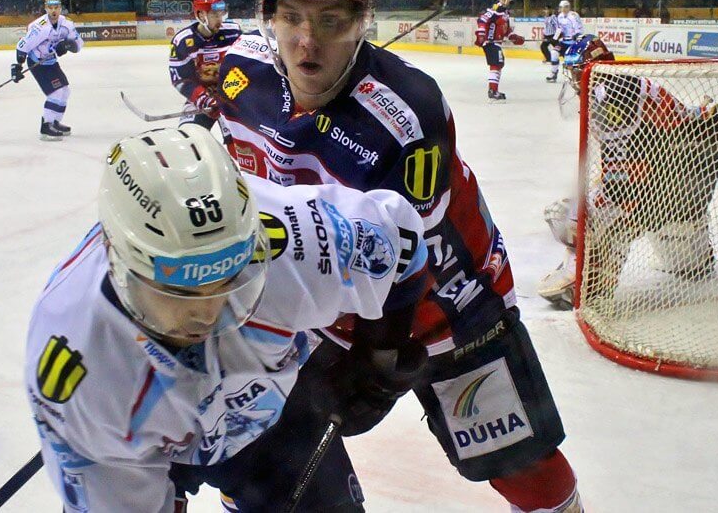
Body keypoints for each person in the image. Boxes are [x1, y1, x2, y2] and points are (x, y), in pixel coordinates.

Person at [215, 0, 582, 512]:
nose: (307, 43)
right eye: (291, 18)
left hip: (447, 304)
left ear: (362, 20)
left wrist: (377, 357)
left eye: (331, 20)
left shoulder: (405, 114)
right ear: (268, 17)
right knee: (261, 454)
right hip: (315, 298)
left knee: (518, 462)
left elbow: (406, 259)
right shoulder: (241, 73)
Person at [27, 126, 430, 511]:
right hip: (148, 444)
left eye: (230, 281)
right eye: (181, 292)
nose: (206, 314)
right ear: (122, 268)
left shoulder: (300, 240)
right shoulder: (83, 364)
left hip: (273, 414)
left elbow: (401, 240)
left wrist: (378, 355)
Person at [538, 36, 718, 307]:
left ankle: (586, 283)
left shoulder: (610, 96)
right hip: (689, 185)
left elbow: (624, 179)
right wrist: (702, 112)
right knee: (688, 264)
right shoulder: (630, 85)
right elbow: (683, 117)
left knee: (569, 216)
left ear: (596, 68)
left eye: (578, 71)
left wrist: (615, 211)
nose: (575, 80)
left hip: (660, 187)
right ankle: (692, 255)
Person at [11, 0, 83, 140]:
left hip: (51, 62)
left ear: (60, 8)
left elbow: (79, 44)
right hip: (37, 63)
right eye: (50, 7)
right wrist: (17, 66)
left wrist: (68, 45)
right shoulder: (40, 27)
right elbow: (22, 46)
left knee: (65, 91)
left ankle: (55, 122)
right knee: (55, 93)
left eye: (56, 7)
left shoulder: (67, 25)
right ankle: (46, 126)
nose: (53, 10)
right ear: (45, 8)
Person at [168, 0, 242, 130]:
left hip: (231, 94)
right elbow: (181, 80)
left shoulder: (233, 32)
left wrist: (231, 94)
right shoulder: (183, 41)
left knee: (236, 140)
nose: (220, 19)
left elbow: (245, 67)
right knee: (191, 135)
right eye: (214, 15)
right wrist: (203, 99)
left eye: (221, 14)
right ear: (201, 15)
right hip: (202, 94)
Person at [475, 0, 525, 100]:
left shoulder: (505, 13)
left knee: (499, 64)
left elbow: (506, 30)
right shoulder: (495, 9)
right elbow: (482, 20)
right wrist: (481, 34)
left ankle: (494, 90)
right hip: (490, 42)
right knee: (496, 64)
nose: (510, 0)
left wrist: (514, 37)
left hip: (496, 43)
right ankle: (493, 91)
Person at [541, 6, 561, 83]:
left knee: (558, 50)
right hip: (547, 36)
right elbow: (545, 27)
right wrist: (543, 35)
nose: (545, 11)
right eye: (545, 9)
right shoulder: (545, 18)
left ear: (550, 10)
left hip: (553, 36)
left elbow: (557, 27)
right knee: (543, 46)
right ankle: (549, 59)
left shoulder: (553, 17)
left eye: (547, 9)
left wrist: (555, 37)